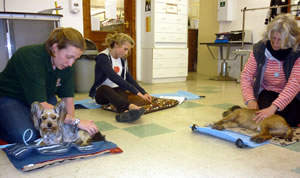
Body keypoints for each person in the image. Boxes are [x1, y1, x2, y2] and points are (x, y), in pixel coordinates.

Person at [0, 27, 99, 144]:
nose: (71, 63)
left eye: (75, 59)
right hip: (11, 98)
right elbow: (41, 104)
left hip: (44, 99)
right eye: (69, 57)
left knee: (54, 131)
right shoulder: (30, 57)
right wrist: (76, 122)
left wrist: (70, 128)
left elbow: (67, 100)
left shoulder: (67, 65)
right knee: (26, 136)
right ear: (55, 47)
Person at [241, 14, 300, 127]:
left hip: (293, 95)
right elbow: (246, 75)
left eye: (280, 40)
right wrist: (250, 100)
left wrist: (274, 108)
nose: (275, 43)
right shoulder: (259, 49)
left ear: (290, 40)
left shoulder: (297, 53)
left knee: (291, 117)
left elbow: (294, 84)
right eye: (273, 38)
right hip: (268, 92)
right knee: (266, 113)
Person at [89, 32, 152, 122]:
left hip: (115, 91)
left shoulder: (122, 60)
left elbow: (129, 79)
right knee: (105, 88)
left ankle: (125, 113)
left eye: (128, 50)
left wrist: (143, 92)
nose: (126, 53)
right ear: (116, 44)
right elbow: (114, 77)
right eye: (125, 49)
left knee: (121, 93)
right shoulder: (103, 57)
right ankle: (131, 107)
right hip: (101, 94)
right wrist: (136, 92)